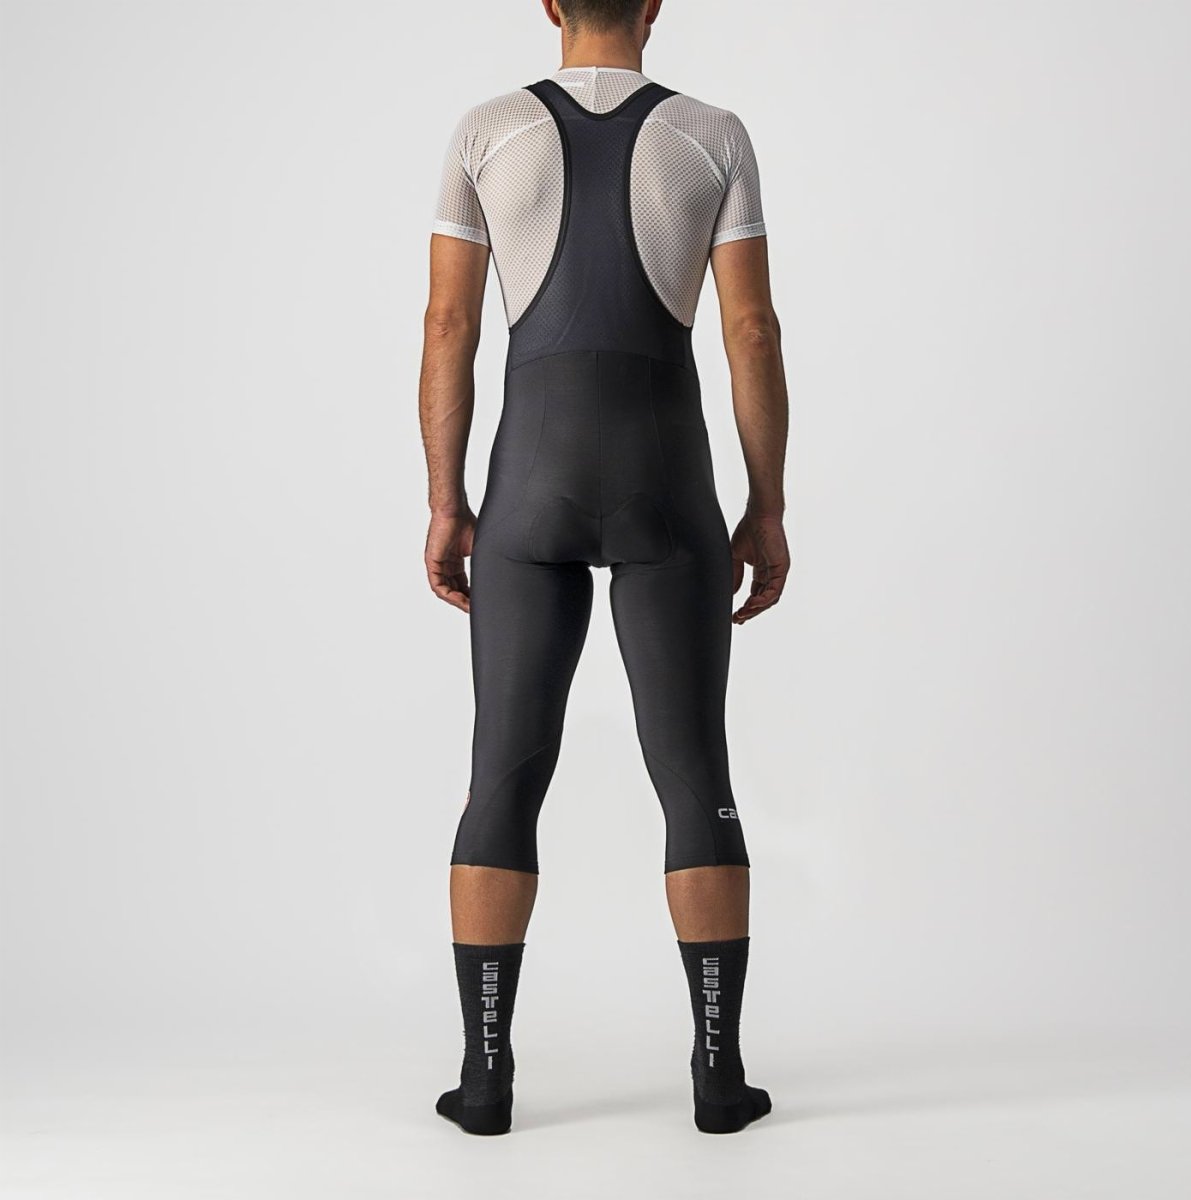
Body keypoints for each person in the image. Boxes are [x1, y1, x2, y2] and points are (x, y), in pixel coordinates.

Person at [419, 0, 790, 1135]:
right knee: (695, 775)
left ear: (549, 4)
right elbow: (752, 331)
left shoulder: (486, 131)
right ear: (654, 5)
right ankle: (718, 1077)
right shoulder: (713, 135)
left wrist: (447, 502)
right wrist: (767, 505)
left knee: (502, 776)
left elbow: (447, 327)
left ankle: (486, 1079)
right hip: (664, 478)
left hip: (528, 479)